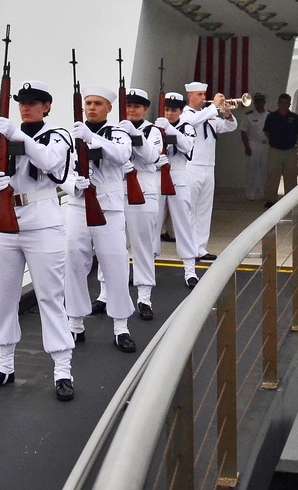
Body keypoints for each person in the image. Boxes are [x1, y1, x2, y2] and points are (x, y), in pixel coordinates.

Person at [0, 80, 75, 401]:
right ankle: (3, 364)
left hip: (42, 222)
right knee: (5, 298)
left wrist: (18, 136)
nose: (26, 107)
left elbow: (51, 163)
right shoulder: (4, 137)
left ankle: (62, 369)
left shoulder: (58, 135)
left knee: (50, 297)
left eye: (34, 102)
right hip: (5, 220)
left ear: (47, 107)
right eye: (22, 101)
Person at [64, 85, 136, 352]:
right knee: (73, 262)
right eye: (88, 103)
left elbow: (121, 155)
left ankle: (121, 326)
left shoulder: (118, 133)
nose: (91, 108)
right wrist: (74, 184)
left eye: (97, 103)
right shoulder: (70, 135)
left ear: (109, 108)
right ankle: (74, 324)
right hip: (78, 205)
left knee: (115, 264)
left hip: (109, 207)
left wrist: (93, 139)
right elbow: (59, 169)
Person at [113, 88, 165, 321]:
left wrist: (135, 135)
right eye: (128, 106)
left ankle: (144, 296)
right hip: (115, 189)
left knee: (142, 245)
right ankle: (107, 293)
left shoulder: (152, 131)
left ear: (145, 108)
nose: (131, 110)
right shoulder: (113, 130)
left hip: (142, 188)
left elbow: (153, 156)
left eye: (136, 106)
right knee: (112, 245)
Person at [180, 81, 234, 261]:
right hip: (192, 166)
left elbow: (229, 127)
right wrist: (213, 106)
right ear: (190, 96)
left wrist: (227, 114)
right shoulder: (185, 115)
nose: (203, 98)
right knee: (189, 209)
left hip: (208, 166)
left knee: (204, 209)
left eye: (204, 94)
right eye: (199, 95)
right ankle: (188, 248)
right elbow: (194, 121)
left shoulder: (208, 115)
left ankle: (200, 248)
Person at [155, 91, 200, 288]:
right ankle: (146, 267)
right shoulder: (155, 128)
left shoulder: (187, 128)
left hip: (178, 174)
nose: (169, 113)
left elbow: (186, 146)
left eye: (173, 110)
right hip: (157, 176)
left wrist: (170, 131)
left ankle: (190, 269)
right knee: (152, 224)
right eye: (166, 109)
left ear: (181, 111)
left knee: (183, 223)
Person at [263, 93, 298, 208]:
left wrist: (291, 141)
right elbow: (266, 132)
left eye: (286, 103)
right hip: (275, 150)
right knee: (273, 175)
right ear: (278, 103)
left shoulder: (295, 118)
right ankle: (270, 199)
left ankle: (291, 200)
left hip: (290, 150)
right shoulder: (272, 117)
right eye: (281, 102)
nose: (283, 105)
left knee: (290, 175)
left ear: (290, 104)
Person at [239, 92, 269, 201]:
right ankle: (250, 193)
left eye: (261, 101)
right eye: (257, 101)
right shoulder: (249, 116)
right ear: (254, 103)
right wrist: (247, 146)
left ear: (264, 102)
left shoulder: (269, 115)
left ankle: (262, 192)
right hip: (253, 144)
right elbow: (243, 131)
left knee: (264, 170)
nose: (259, 103)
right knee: (251, 170)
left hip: (266, 145)